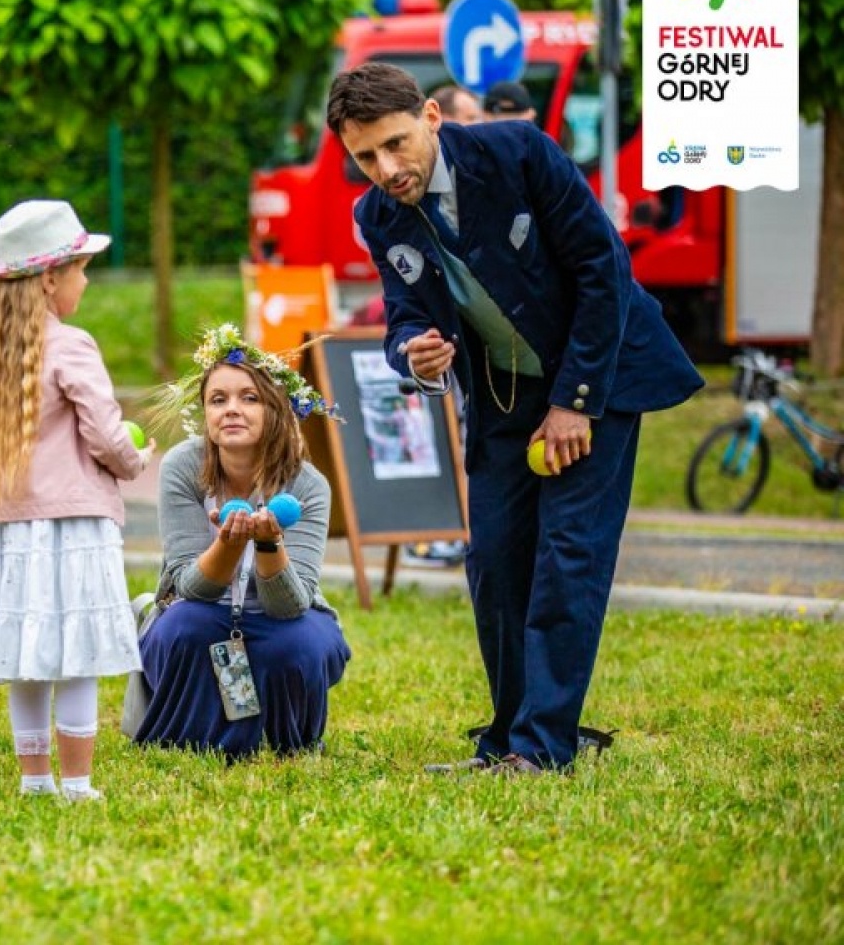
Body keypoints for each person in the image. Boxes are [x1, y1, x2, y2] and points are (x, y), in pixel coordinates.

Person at [325, 63, 702, 774]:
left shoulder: (520, 153)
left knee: (567, 554)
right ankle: (506, 737)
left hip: (600, 375)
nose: (387, 169)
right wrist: (413, 353)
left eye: (396, 144)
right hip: (502, 397)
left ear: (431, 116)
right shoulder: (377, 215)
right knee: (495, 561)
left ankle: (543, 745)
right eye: (366, 157)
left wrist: (573, 403)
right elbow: (403, 315)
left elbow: (603, 269)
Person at [0, 199, 153, 801]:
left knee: (27, 656)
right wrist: (136, 459)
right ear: (51, 279)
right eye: (81, 269)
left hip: (9, 529)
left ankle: (35, 780)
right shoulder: (73, 345)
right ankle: (78, 782)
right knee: (76, 655)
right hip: (74, 525)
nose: (86, 281)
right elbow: (105, 434)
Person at [132, 323, 350, 759]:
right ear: (206, 414)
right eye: (218, 400)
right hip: (204, 609)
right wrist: (229, 544)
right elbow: (191, 589)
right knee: (184, 627)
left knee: (300, 642)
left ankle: (286, 740)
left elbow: (290, 606)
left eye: (249, 398)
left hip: (279, 618)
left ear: (276, 410)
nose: (232, 409)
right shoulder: (182, 466)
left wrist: (268, 545)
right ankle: (190, 738)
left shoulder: (307, 484)